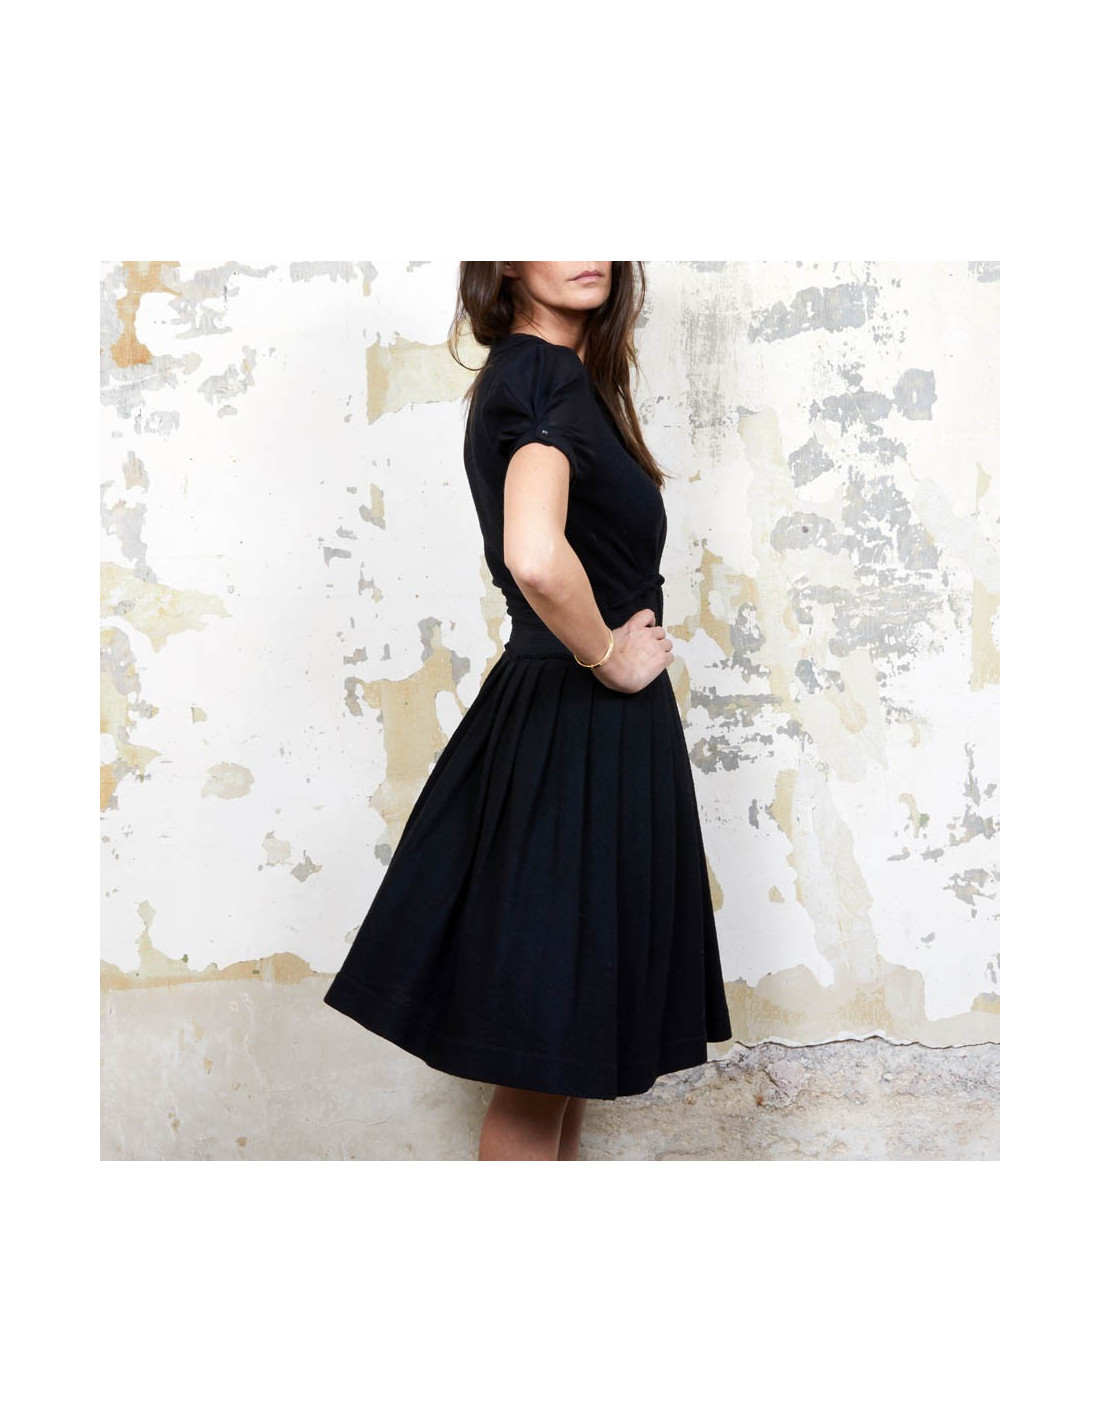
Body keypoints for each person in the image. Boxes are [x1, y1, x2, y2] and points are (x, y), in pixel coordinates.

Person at [324, 261, 733, 1160]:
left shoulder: (555, 379)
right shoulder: (542, 373)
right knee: (545, 1060)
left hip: (585, 732)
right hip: (575, 729)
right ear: (504, 258)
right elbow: (535, 556)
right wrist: (609, 657)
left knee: (565, 1055)